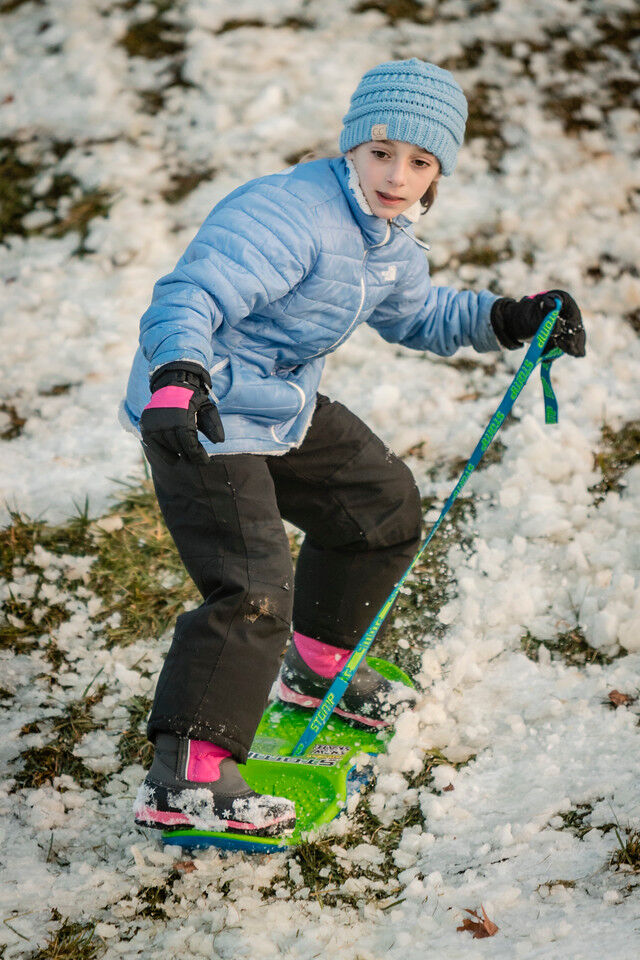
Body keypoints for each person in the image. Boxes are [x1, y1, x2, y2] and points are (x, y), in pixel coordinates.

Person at [120, 58, 586, 839]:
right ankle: (187, 774)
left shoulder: (387, 241)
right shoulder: (288, 215)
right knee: (251, 586)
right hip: (197, 406)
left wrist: (509, 317)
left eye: (420, 161)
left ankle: (319, 662)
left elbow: (419, 312)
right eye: (381, 152)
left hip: (275, 403)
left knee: (377, 502)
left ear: (439, 170)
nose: (397, 176)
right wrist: (175, 374)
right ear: (350, 147)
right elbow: (191, 294)